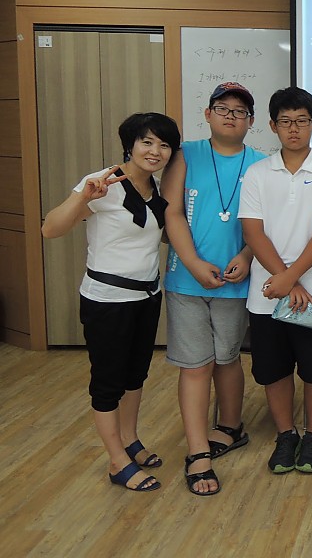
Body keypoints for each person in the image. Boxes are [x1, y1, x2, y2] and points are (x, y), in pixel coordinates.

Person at [41, 113, 181, 492]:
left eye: (164, 145)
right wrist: (82, 199)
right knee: (108, 382)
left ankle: (130, 440)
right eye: (147, 142)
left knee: (136, 375)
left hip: (147, 296)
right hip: (107, 300)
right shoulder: (103, 182)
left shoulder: (157, 189)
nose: (155, 151)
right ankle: (117, 460)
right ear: (130, 145)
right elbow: (50, 228)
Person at [162, 82, 266, 496]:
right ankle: (198, 452)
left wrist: (247, 255)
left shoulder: (261, 164)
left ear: (251, 122)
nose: (230, 116)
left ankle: (231, 426)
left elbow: (265, 224)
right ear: (207, 114)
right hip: (186, 279)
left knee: (227, 359)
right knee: (195, 365)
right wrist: (192, 263)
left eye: (239, 111)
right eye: (222, 108)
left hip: (236, 280)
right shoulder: (185, 154)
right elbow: (172, 212)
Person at [238, 87, 312, 475]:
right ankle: (285, 435)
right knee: (275, 370)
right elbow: (252, 232)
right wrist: (285, 280)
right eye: (285, 122)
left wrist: (291, 277)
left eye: (302, 121)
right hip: (267, 293)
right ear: (272, 126)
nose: (294, 128)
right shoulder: (257, 173)